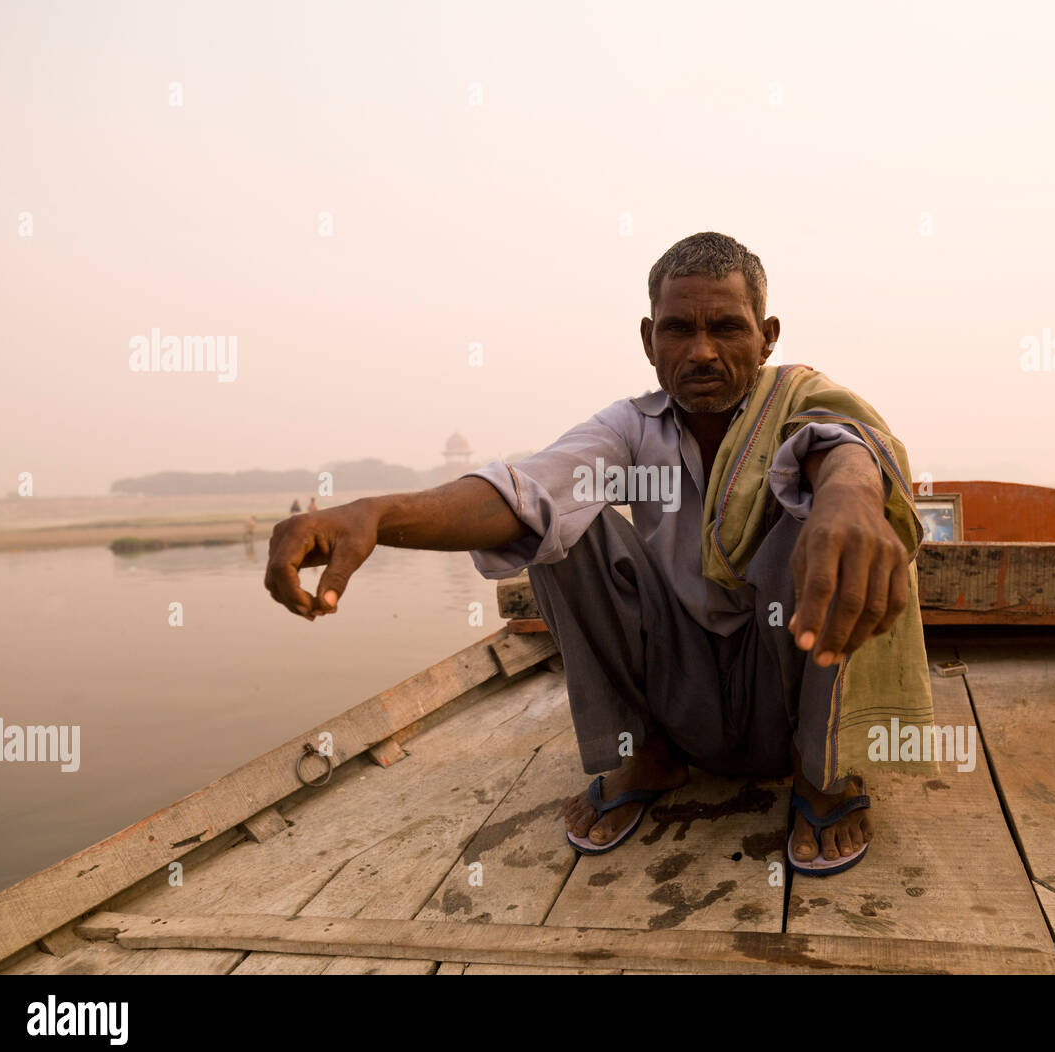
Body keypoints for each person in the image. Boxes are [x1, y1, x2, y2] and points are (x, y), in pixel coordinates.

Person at [264, 232, 934, 875]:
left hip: (783, 679)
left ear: (767, 337)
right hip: (684, 693)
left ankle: (820, 770)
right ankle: (643, 754)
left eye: (726, 327)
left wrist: (850, 495)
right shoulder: (630, 427)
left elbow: (847, 444)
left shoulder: (797, 406)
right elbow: (524, 490)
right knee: (555, 520)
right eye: (678, 329)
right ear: (649, 340)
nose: (701, 352)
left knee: (841, 517)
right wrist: (376, 514)